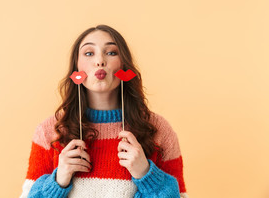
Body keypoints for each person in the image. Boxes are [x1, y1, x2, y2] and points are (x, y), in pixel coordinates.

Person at [19, 25, 188, 198]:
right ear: (76, 68)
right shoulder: (50, 131)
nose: (100, 61)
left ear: (124, 65)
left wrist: (146, 174)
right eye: (89, 53)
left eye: (111, 52)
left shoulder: (159, 130)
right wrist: (58, 181)